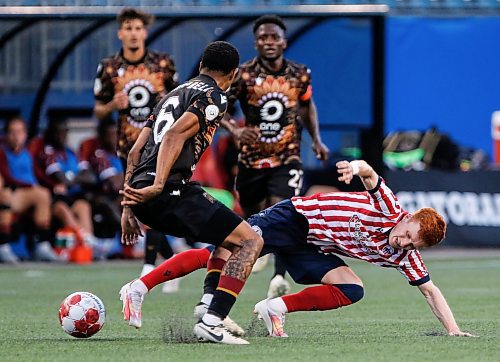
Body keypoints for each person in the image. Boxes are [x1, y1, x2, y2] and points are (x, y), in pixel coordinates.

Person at [122, 159, 475, 338]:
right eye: (408, 233)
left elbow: (430, 290)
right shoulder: (389, 207)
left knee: (352, 288)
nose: (405, 242)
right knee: (222, 254)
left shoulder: (404, 255)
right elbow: (370, 174)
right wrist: (354, 166)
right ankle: (139, 287)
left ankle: (274, 308)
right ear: (408, 218)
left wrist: (453, 330)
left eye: (415, 244)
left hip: (311, 246)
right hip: (294, 218)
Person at [118, 41, 263, 345]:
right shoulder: (214, 95)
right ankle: (212, 323)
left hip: (142, 193)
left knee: (229, 234)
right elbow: (173, 135)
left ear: (200, 67)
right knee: (251, 240)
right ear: (233, 73)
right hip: (167, 190)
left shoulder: (171, 94)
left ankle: (208, 304)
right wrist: (159, 184)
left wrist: (128, 208)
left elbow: (134, 151)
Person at [221, 15, 329, 298]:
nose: (269, 42)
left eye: (274, 37)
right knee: (253, 215)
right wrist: (235, 130)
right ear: (256, 42)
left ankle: (279, 278)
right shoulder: (243, 75)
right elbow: (219, 107)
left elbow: (307, 107)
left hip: (287, 157)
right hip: (251, 160)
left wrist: (316, 140)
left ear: (284, 41)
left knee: (283, 210)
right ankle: (261, 247)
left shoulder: (299, 73)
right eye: (263, 37)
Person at [93, 7, 178, 274]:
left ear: (145, 32)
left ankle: (149, 266)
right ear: (120, 33)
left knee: (147, 201)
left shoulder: (162, 64)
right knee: (141, 205)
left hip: (159, 145)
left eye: (138, 28)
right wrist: (111, 105)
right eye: (128, 28)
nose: (133, 33)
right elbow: (97, 109)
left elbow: (179, 100)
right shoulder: (109, 67)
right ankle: (171, 260)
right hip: (127, 147)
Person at [0, 117, 60, 262]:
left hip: (29, 193)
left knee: (44, 194)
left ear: (25, 134)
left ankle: (42, 245)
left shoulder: (28, 153)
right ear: (6, 135)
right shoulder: (2, 152)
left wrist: (54, 185)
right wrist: (29, 186)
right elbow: (7, 177)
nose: (16, 136)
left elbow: (39, 174)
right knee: (5, 195)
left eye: (19, 132)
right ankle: (3, 245)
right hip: (14, 192)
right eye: (12, 132)